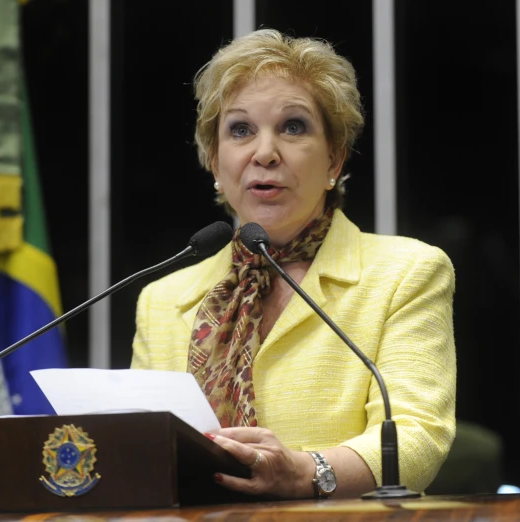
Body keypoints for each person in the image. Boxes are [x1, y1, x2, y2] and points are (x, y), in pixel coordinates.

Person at [131, 29, 456, 499]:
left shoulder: (406, 273)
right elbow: (143, 453)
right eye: (240, 130)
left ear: (334, 158)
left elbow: (415, 438)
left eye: (294, 126)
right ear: (215, 162)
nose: (264, 153)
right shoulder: (161, 301)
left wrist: (303, 472)